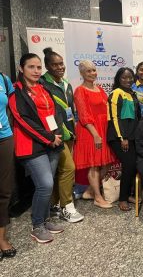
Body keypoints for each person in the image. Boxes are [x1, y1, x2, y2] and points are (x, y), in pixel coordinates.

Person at [9, 53, 64, 243]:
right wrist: (49, 138)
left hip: (52, 142)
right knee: (45, 184)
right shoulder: (16, 93)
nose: (36, 71)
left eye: (38, 67)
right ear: (21, 68)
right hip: (32, 146)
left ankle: (46, 219)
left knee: (45, 187)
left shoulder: (43, 88)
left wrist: (57, 135)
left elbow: (56, 112)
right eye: (31, 67)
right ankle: (37, 225)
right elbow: (25, 121)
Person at [40, 48, 84, 223]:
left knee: (61, 170)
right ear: (47, 66)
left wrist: (72, 129)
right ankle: (67, 206)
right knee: (68, 168)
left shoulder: (66, 84)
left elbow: (69, 110)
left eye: (61, 64)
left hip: (69, 132)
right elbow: (46, 112)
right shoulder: (43, 84)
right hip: (54, 134)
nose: (60, 67)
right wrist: (53, 133)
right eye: (55, 64)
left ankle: (55, 204)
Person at [73, 60, 115, 209]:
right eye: (88, 71)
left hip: (103, 128)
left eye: (94, 70)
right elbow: (83, 115)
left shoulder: (100, 89)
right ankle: (98, 197)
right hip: (90, 131)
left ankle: (90, 191)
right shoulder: (80, 90)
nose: (92, 73)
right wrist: (95, 134)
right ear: (82, 73)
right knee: (94, 164)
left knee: (106, 162)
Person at [107, 67, 141, 211]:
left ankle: (127, 195)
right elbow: (114, 118)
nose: (128, 80)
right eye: (124, 78)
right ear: (118, 79)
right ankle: (122, 199)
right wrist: (123, 138)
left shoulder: (131, 93)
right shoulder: (116, 94)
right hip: (119, 137)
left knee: (132, 165)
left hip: (132, 137)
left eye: (130, 77)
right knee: (128, 165)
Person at [0, 72, 16, 257]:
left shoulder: (3, 79)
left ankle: (2, 238)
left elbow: (11, 107)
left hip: (4, 137)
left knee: (4, 191)